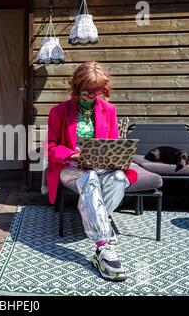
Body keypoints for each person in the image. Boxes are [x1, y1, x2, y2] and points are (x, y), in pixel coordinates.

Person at [46, 61, 138, 281]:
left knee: (117, 178)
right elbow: (51, 147)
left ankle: (93, 218)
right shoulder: (59, 111)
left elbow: (113, 142)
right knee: (90, 179)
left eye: (96, 91)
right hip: (70, 168)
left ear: (103, 90)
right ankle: (104, 247)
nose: (90, 96)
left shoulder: (109, 110)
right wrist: (72, 155)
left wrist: (112, 157)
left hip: (100, 165)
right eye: (86, 91)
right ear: (77, 87)